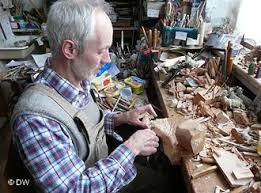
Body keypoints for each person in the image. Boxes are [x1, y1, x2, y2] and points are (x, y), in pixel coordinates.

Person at [9, 0, 162, 192]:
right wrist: (132, 147)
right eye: (100, 51)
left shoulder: (78, 81)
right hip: (92, 185)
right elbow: (75, 188)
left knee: (163, 178)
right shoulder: (35, 118)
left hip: (101, 168)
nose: (107, 59)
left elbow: (83, 123)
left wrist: (120, 118)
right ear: (70, 50)